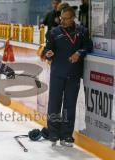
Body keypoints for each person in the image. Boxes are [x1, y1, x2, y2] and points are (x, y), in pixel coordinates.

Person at [42, 7, 92, 147]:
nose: (62, 21)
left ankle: (66, 135)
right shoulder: (53, 32)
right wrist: (48, 53)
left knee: (69, 106)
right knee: (54, 104)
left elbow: (88, 46)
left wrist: (79, 53)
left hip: (74, 74)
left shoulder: (82, 32)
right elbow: (47, 49)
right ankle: (53, 133)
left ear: (73, 18)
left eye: (66, 18)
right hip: (57, 73)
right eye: (61, 18)